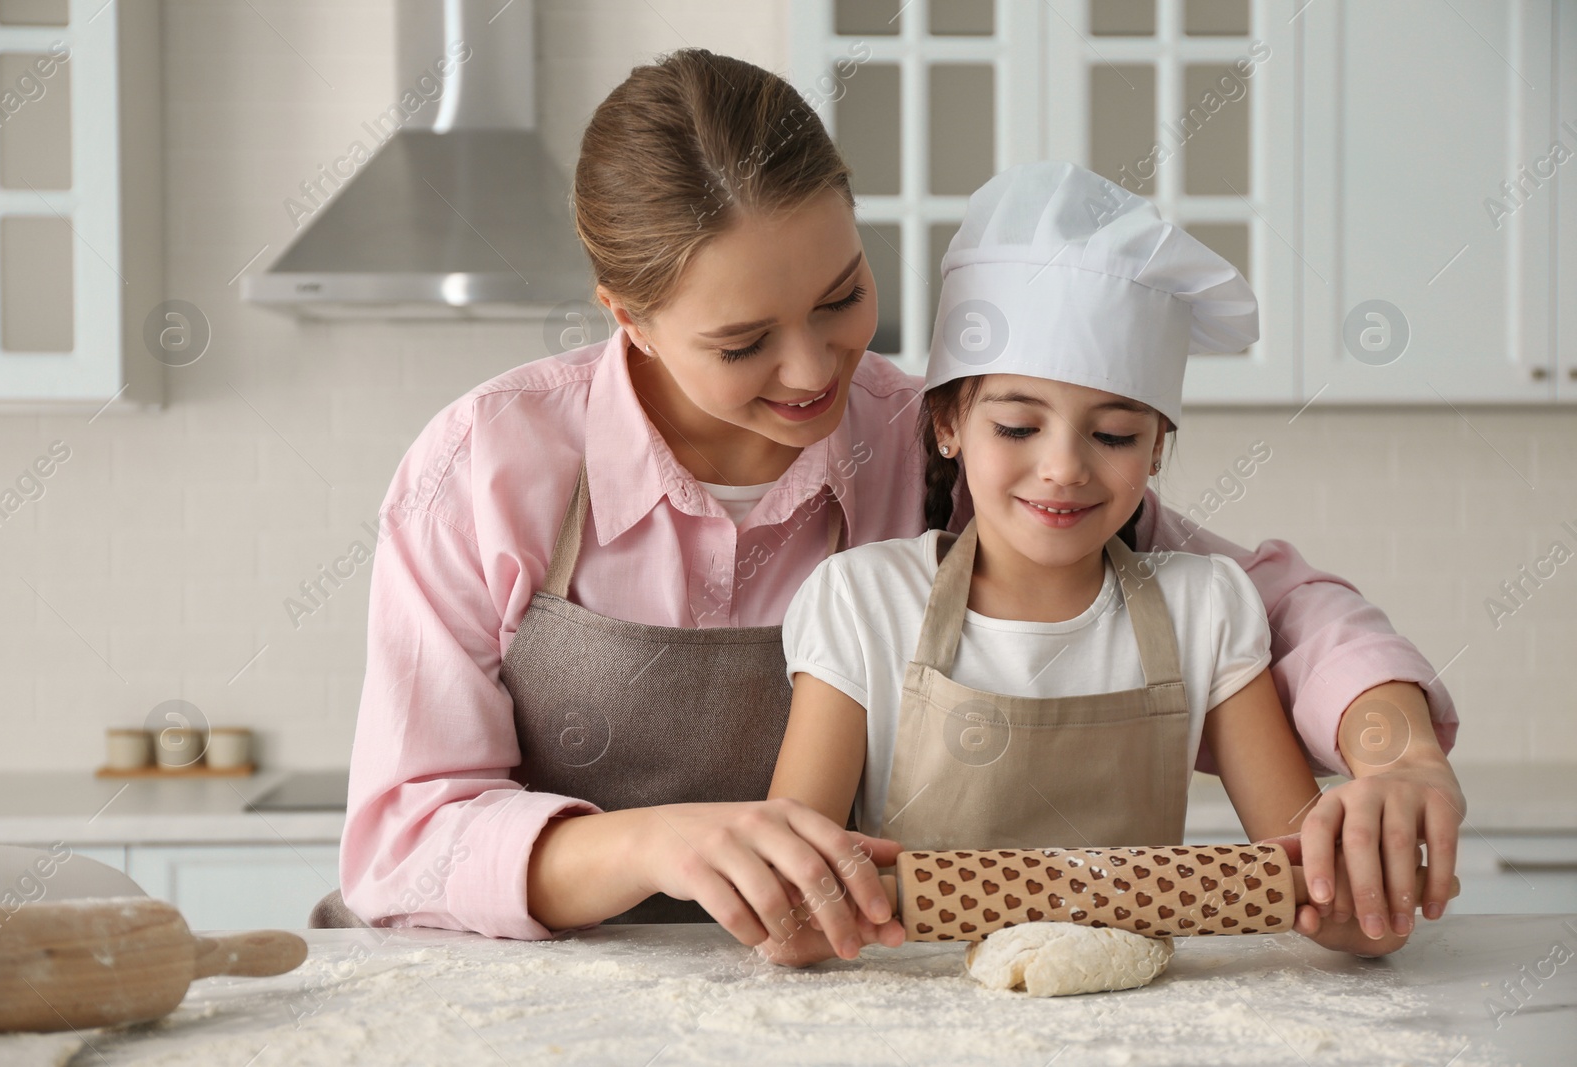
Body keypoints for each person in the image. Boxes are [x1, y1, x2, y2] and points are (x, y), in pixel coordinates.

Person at [338, 49, 1463, 964]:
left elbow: (1270, 607)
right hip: (538, 997)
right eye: (741, 342)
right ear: (624, 315)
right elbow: (403, 842)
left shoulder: (931, 435)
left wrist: (1395, 748)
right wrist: (654, 845)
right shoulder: (485, 469)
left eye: (843, 297)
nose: (813, 370)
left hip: (847, 1000)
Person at [770, 160, 1435, 960]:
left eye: (1114, 435)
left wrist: (1363, 868)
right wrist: (807, 903)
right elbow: (792, 902)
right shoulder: (862, 602)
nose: (1064, 468)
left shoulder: (1208, 609)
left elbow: (1322, 890)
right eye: (1017, 427)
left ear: (1157, 447)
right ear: (948, 423)